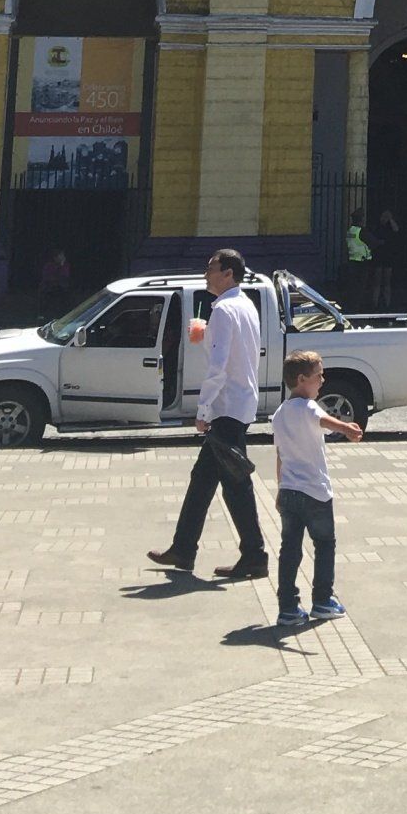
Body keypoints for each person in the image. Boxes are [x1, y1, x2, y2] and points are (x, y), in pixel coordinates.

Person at [148, 249, 269, 581]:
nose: (206, 274)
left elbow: (218, 367)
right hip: (239, 403)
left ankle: (253, 555)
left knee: (235, 484)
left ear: (228, 273)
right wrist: (204, 339)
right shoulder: (244, 305)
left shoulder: (225, 310)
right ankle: (184, 548)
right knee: (205, 480)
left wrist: (203, 410)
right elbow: (233, 355)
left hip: (227, 406)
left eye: (211, 268)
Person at [269, 348, 364, 627]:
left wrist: (280, 488)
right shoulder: (308, 407)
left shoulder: (279, 414)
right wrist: (347, 428)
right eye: (318, 376)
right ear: (301, 379)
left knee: (290, 550)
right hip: (315, 492)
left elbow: (280, 454)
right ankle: (322, 600)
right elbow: (322, 420)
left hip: (289, 491)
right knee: (324, 544)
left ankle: (288, 607)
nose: (322, 381)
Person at [370, 207, 400, 309]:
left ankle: (387, 304)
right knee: (377, 281)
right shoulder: (376, 226)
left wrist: (390, 219)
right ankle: (375, 303)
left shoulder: (390, 227)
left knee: (387, 281)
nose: (385, 218)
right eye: (384, 216)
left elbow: (396, 230)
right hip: (378, 256)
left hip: (388, 256)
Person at [36, 246, 71, 323]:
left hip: (61, 289)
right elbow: (48, 277)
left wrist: (62, 266)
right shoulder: (49, 266)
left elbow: (65, 276)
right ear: (55, 257)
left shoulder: (65, 265)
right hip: (49, 288)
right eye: (60, 255)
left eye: (63, 255)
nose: (62, 257)